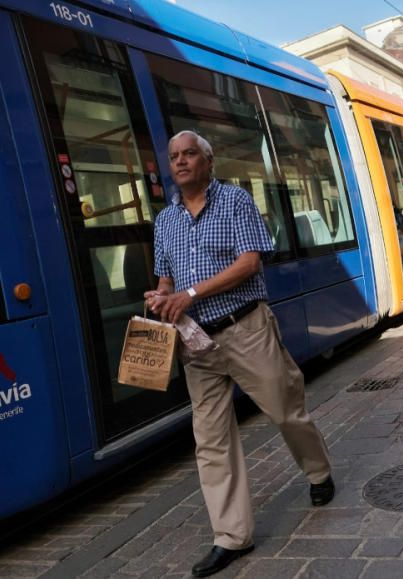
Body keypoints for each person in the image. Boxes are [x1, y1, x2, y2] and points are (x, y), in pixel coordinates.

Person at [145, 130, 334, 578]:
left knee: (286, 410)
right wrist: (163, 294)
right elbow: (166, 277)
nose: (181, 162)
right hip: (196, 344)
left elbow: (251, 262)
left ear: (208, 161)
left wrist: (191, 292)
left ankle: (319, 471)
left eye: (190, 153)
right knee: (210, 439)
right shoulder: (164, 220)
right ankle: (232, 537)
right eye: (174, 157)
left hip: (245, 329)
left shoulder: (234, 201)